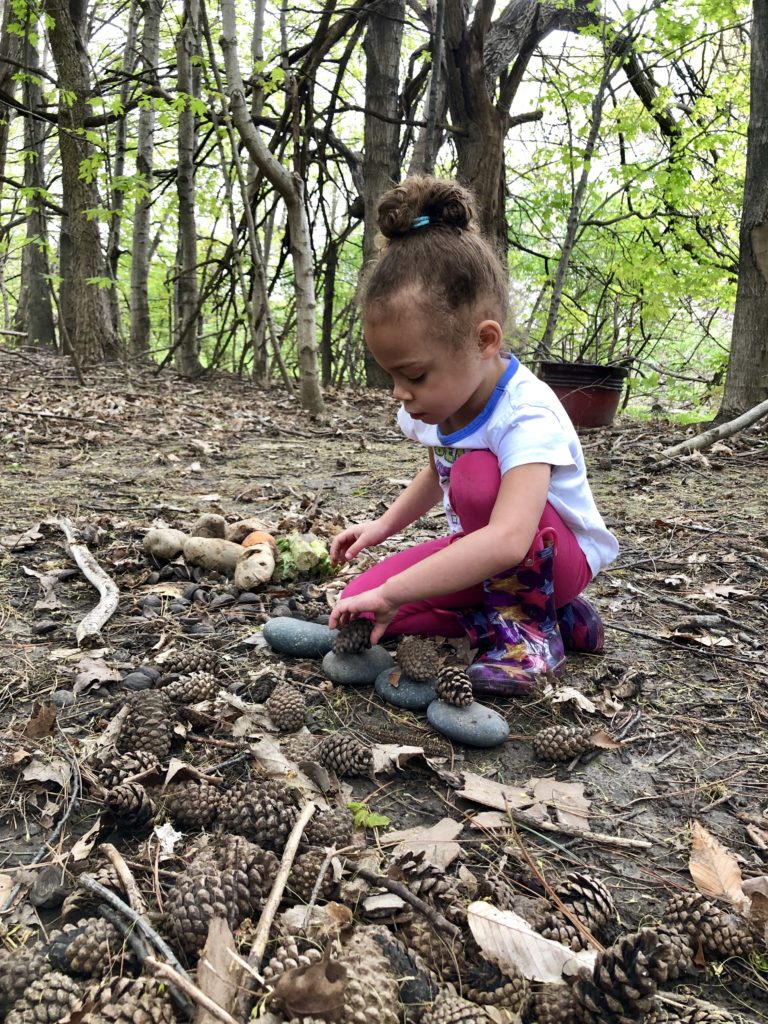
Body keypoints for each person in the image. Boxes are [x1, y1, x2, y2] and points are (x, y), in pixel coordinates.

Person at [328, 176, 618, 696]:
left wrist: (400, 588)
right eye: (391, 376)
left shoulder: (526, 414)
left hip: (554, 558)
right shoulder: (439, 403)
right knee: (366, 605)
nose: (400, 393)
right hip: (487, 555)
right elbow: (436, 472)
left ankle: (528, 630)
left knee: (477, 476)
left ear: (485, 341)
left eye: (413, 375)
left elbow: (508, 536)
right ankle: (554, 620)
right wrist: (382, 529)